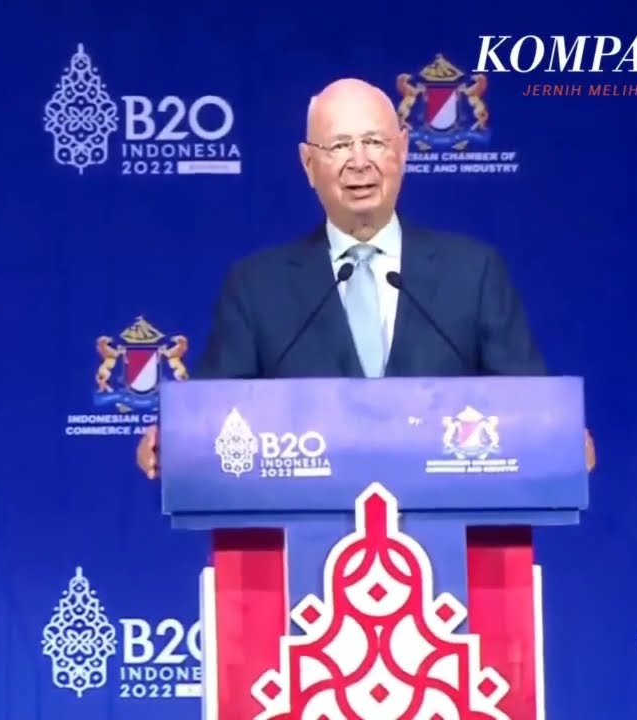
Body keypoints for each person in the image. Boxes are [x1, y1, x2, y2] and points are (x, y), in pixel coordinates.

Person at [136, 77, 594, 477]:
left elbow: (527, 404)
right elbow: (215, 415)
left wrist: (558, 436)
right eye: (339, 146)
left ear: (403, 150)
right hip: (302, 536)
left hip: (449, 527)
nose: (359, 161)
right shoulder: (256, 288)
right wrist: (176, 442)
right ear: (308, 165)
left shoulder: (473, 272)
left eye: (374, 142)